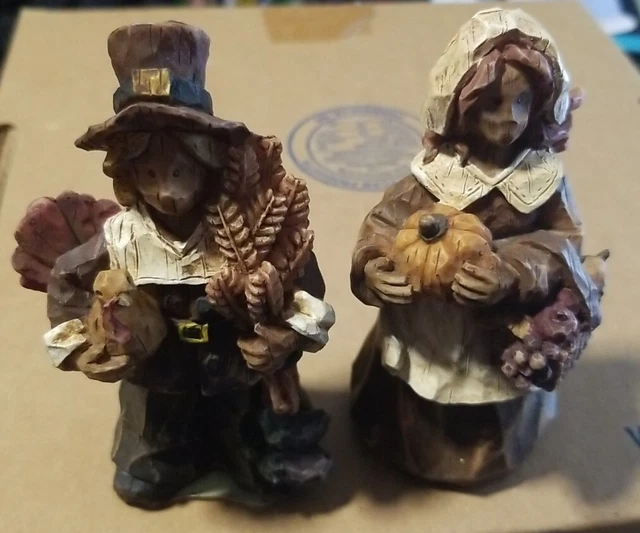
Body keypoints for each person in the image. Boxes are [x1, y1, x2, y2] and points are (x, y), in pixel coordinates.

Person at [15, 21, 334, 508]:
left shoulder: (246, 230)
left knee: (262, 457)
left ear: (207, 164)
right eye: (149, 173)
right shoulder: (122, 238)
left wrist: (285, 337)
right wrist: (88, 343)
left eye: (181, 171)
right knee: (148, 470)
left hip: (236, 372)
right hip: (158, 377)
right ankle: (165, 455)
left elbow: (301, 283)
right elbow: (69, 280)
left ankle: (244, 448)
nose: (167, 191)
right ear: (127, 175)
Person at [350, 8, 607, 485]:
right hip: (430, 321)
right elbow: (385, 221)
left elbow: (565, 241)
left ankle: (485, 449)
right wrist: (372, 265)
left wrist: (512, 271)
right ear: (459, 104)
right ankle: (406, 438)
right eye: (492, 102)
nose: (509, 118)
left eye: (522, 101)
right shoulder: (433, 175)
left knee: (489, 399)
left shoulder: (542, 180)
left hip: (500, 329)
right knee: (418, 386)